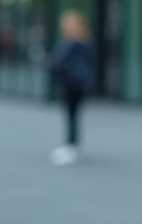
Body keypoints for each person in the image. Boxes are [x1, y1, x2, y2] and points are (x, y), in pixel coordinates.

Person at [48, 10, 95, 166]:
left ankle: (71, 146)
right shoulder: (81, 41)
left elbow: (62, 61)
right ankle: (72, 145)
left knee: (72, 114)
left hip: (73, 83)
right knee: (72, 114)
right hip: (74, 82)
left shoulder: (75, 43)